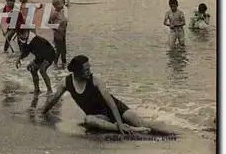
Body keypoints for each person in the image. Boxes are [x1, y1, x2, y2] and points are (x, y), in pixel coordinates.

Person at [41, 55, 174, 135]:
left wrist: (121, 122)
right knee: (89, 120)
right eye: (86, 69)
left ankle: (174, 133)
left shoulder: (96, 79)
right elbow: (54, 100)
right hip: (101, 117)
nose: (89, 71)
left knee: (141, 123)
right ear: (77, 71)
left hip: (117, 109)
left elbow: (111, 102)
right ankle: (123, 128)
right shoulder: (66, 82)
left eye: (89, 68)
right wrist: (43, 112)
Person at [16, 28, 56, 95]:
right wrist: (19, 59)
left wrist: (34, 62)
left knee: (42, 70)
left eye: (22, 34)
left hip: (49, 54)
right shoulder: (26, 39)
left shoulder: (36, 40)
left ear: (27, 32)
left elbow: (42, 54)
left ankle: (50, 90)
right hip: (40, 55)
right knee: (32, 69)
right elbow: (26, 52)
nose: (21, 36)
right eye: (20, 35)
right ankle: (37, 90)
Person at [48, 0, 68, 68]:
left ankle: (64, 64)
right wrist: (56, 29)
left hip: (63, 34)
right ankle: (55, 63)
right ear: (57, 5)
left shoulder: (62, 12)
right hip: (58, 35)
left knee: (63, 50)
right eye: (62, 2)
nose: (64, 4)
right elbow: (48, 23)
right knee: (58, 50)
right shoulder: (55, 14)